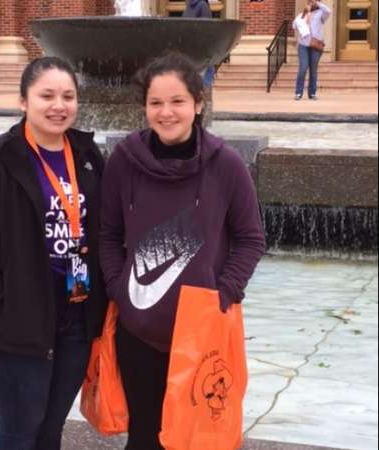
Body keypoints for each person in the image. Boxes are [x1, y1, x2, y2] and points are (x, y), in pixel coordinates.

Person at [99, 52, 265, 450]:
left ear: (198, 104)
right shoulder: (124, 160)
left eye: (177, 102)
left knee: (198, 441)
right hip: (139, 331)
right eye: (156, 103)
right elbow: (107, 235)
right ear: (145, 107)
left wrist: (222, 295)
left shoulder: (225, 165)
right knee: (144, 437)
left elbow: (251, 238)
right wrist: (120, 290)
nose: (166, 112)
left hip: (201, 334)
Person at [0, 56, 107, 450]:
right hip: (16, 318)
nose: (59, 105)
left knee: (50, 429)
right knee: (20, 431)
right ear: (24, 101)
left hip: (76, 310)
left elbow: (106, 229)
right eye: (47, 96)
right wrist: (2, 299)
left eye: (68, 96)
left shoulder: (88, 156)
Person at [293, 0, 332, 100]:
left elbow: (328, 11)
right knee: (303, 67)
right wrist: (304, 16)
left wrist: (318, 3)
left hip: (315, 45)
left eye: (313, 1)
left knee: (313, 70)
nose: (311, 3)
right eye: (310, 1)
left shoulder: (321, 14)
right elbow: (294, 26)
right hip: (303, 45)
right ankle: (298, 93)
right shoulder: (303, 14)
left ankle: (312, 93)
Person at [183, 0, 216, 88]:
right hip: (198, 49)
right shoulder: (198, 5)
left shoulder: (195, 6)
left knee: (201, 81)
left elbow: (205, 27)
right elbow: (206, 26)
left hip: (196, 49)